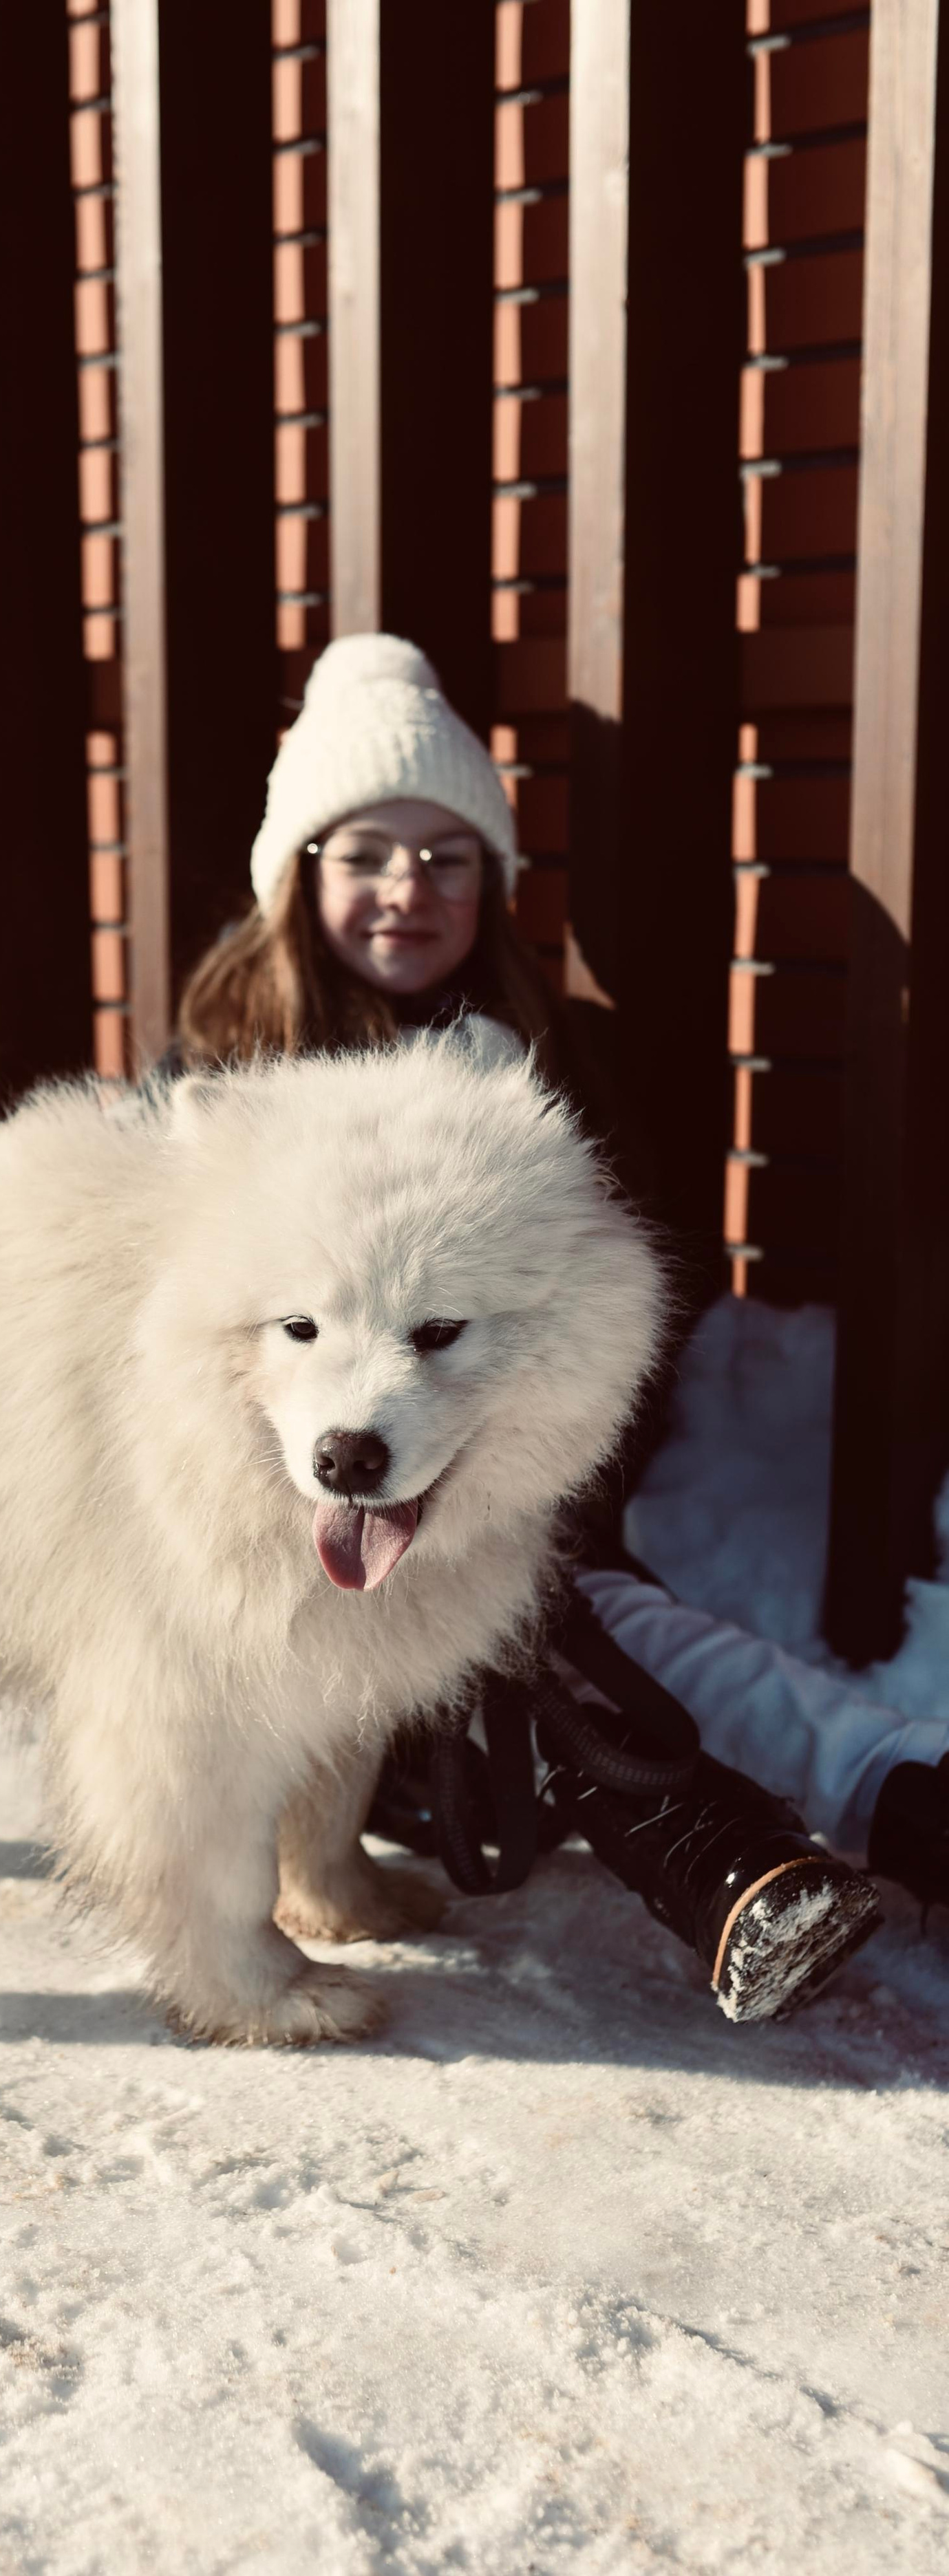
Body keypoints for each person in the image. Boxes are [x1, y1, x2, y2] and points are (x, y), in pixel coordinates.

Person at [172, 631, 949, 1960]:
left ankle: (890, 1795)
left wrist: (531, 1474)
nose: (405, 890)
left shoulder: (540, 1073)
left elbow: (599, 1317)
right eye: (363, 854)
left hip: (506, 1495)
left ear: (492, 881)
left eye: (445, 858)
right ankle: (724, 1862)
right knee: (551, 1640)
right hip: (288, 1561)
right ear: (299, 876)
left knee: (591, 1615)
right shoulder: (231, 1078)